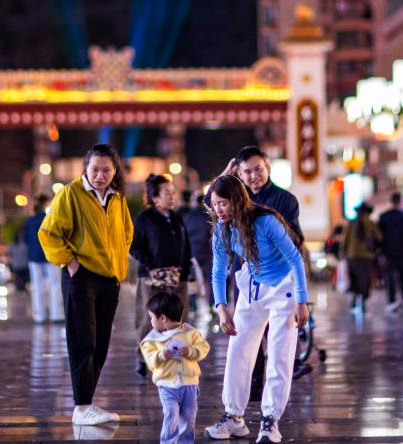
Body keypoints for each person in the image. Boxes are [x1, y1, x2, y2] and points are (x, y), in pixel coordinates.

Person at [203, 175, 309, 444]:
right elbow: (218, 271)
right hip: (252, 286)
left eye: (223, 203)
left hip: (284, 288)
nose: (218, 210)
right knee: (238, 350)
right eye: (214, 204)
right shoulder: (222, 229)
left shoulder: (266, 221)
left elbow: (295, 259)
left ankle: (270, 421)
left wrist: (301, 301)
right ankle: (233, 416)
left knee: (279, 354)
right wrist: (221, 308)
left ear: (237, 200)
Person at [39, 144, 133, 427]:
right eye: (95, 169)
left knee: (101, 343)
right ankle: (81, 407)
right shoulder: (70, 194)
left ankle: (87, 403)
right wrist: (70, 263)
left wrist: (118, 265)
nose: (100, 175)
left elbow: (126, 233)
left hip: (110, 279)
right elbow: (48, 233)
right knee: (83, 341)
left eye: (106, 170)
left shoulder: (117, 198)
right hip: (81, 277)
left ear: (115, 171)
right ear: (86, 168)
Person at [131, 173, 193, 377]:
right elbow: (134, 246)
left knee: (179, 318)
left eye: (173, 192)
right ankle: (143, 358)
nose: (172, 196)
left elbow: (186, 247)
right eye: (167, 192)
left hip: (177, 278)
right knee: (151, 318)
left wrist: (185, 271)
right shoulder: (145, 218)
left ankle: (176, 357)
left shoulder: (176, 218)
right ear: (155, 197)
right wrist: (151, 265)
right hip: (151, 279)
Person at [139, 291, 210, 444]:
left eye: (151, 317)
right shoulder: (153, 339)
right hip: (167, 385)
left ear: (163, 318)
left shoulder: (190, 333)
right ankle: (167, 441)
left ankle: (185, 441)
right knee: (171, 413)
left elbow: (203, 347)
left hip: (189, 384)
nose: (150, 321)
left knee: (189, 416)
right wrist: (160, 356)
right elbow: (149, 356)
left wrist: (191, 351)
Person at [24, 194, 64, 323]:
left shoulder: (29, 221)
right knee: (55, 285)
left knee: (37, 286)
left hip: (34, 257)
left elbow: (26, 240)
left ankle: (39, 316)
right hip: (50, 256)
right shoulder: (50, 219)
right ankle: (56, 314)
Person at [378, 192, 403, 312]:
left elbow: (379, 235)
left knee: (390, 277)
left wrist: (380, 250)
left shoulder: (384, 216)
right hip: (402, 251)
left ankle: (391, 301)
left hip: (388, 251)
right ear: (400, 202)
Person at [342, 203, 381, 313]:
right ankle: (363, 304)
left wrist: (343, 252)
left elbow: (345, 239)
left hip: (352, 256)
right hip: (366, 256)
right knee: (365, 279)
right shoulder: (371, 223)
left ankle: (353, 302)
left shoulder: (351, 223)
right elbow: (379, 237)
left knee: (354, 278)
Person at [180, 192, 213, 310]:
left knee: (193, 278)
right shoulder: (209, 217)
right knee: (211, 279)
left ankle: (192, 305)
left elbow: (184, 235)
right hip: (207, 252)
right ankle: (213, 304)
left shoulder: (189, 216)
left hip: (193, 252)